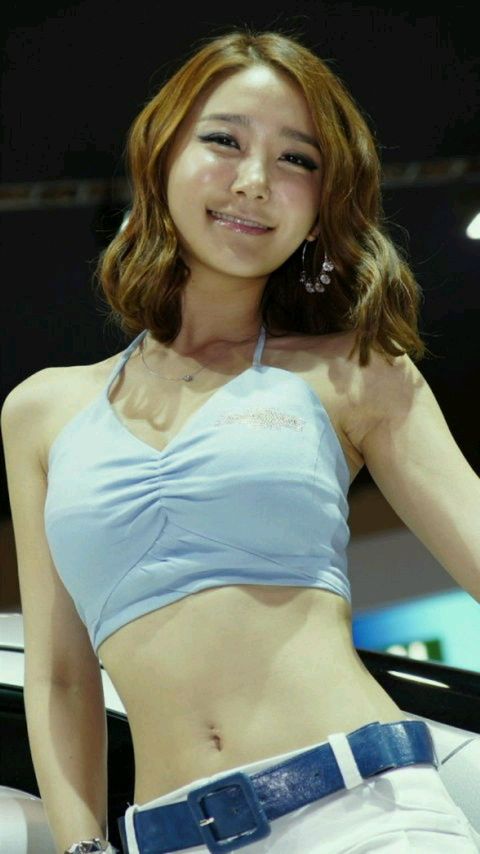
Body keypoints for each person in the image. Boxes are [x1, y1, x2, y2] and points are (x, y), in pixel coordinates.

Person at [2, 27, 480, 854]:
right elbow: (58, 677)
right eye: (224, 141)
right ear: (162, 157)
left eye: (297, 159)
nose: (254, 180)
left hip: (367, 816)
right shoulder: (42, 411)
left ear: (322, 205)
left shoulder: (356, 372)